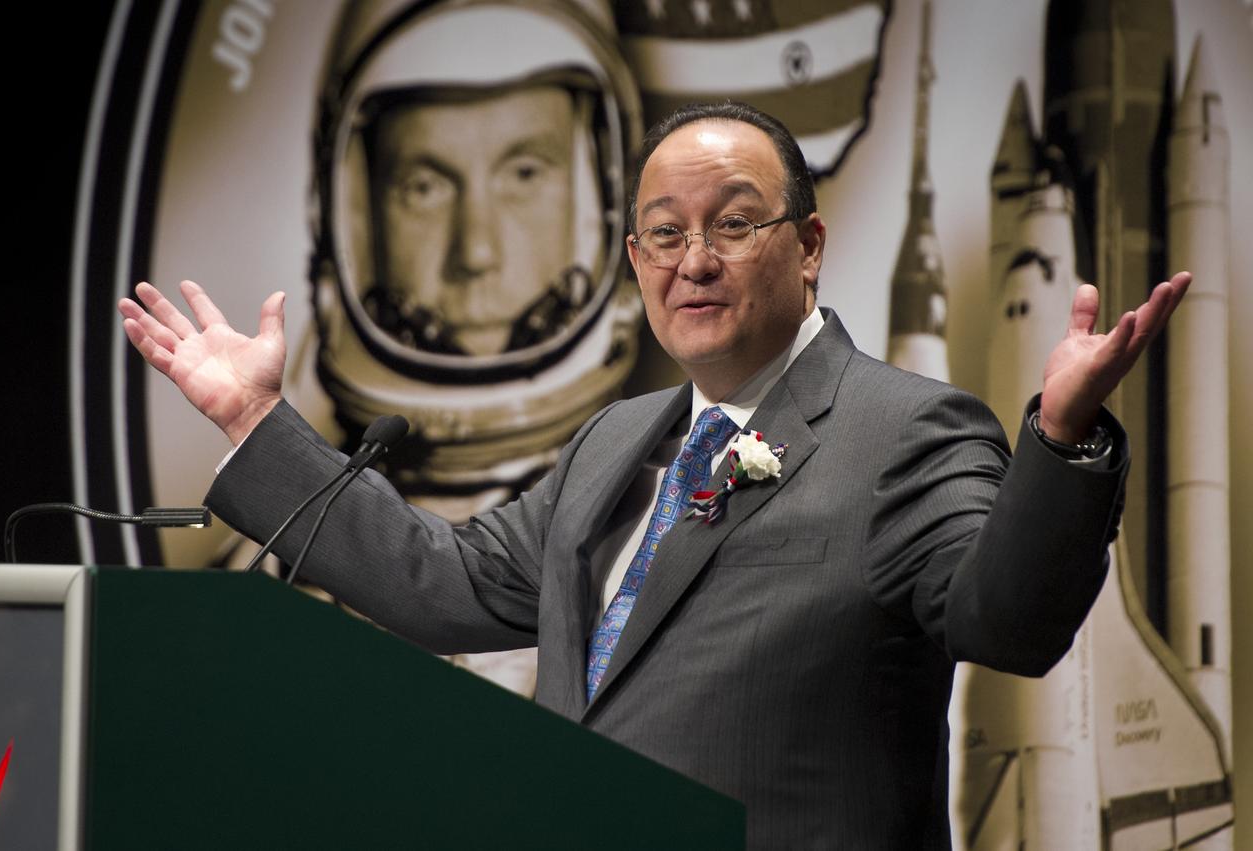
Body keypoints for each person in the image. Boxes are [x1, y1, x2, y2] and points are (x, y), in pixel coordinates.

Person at [119, 102, 1189, 848]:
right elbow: (431, 583)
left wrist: (1060, 436)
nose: (693, 260)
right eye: (662, 235)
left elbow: (1008, 622)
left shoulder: (905, 430)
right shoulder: (613, 443)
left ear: (808, 245)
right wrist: (255, 420)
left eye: (731, 223)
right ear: (634, 262)